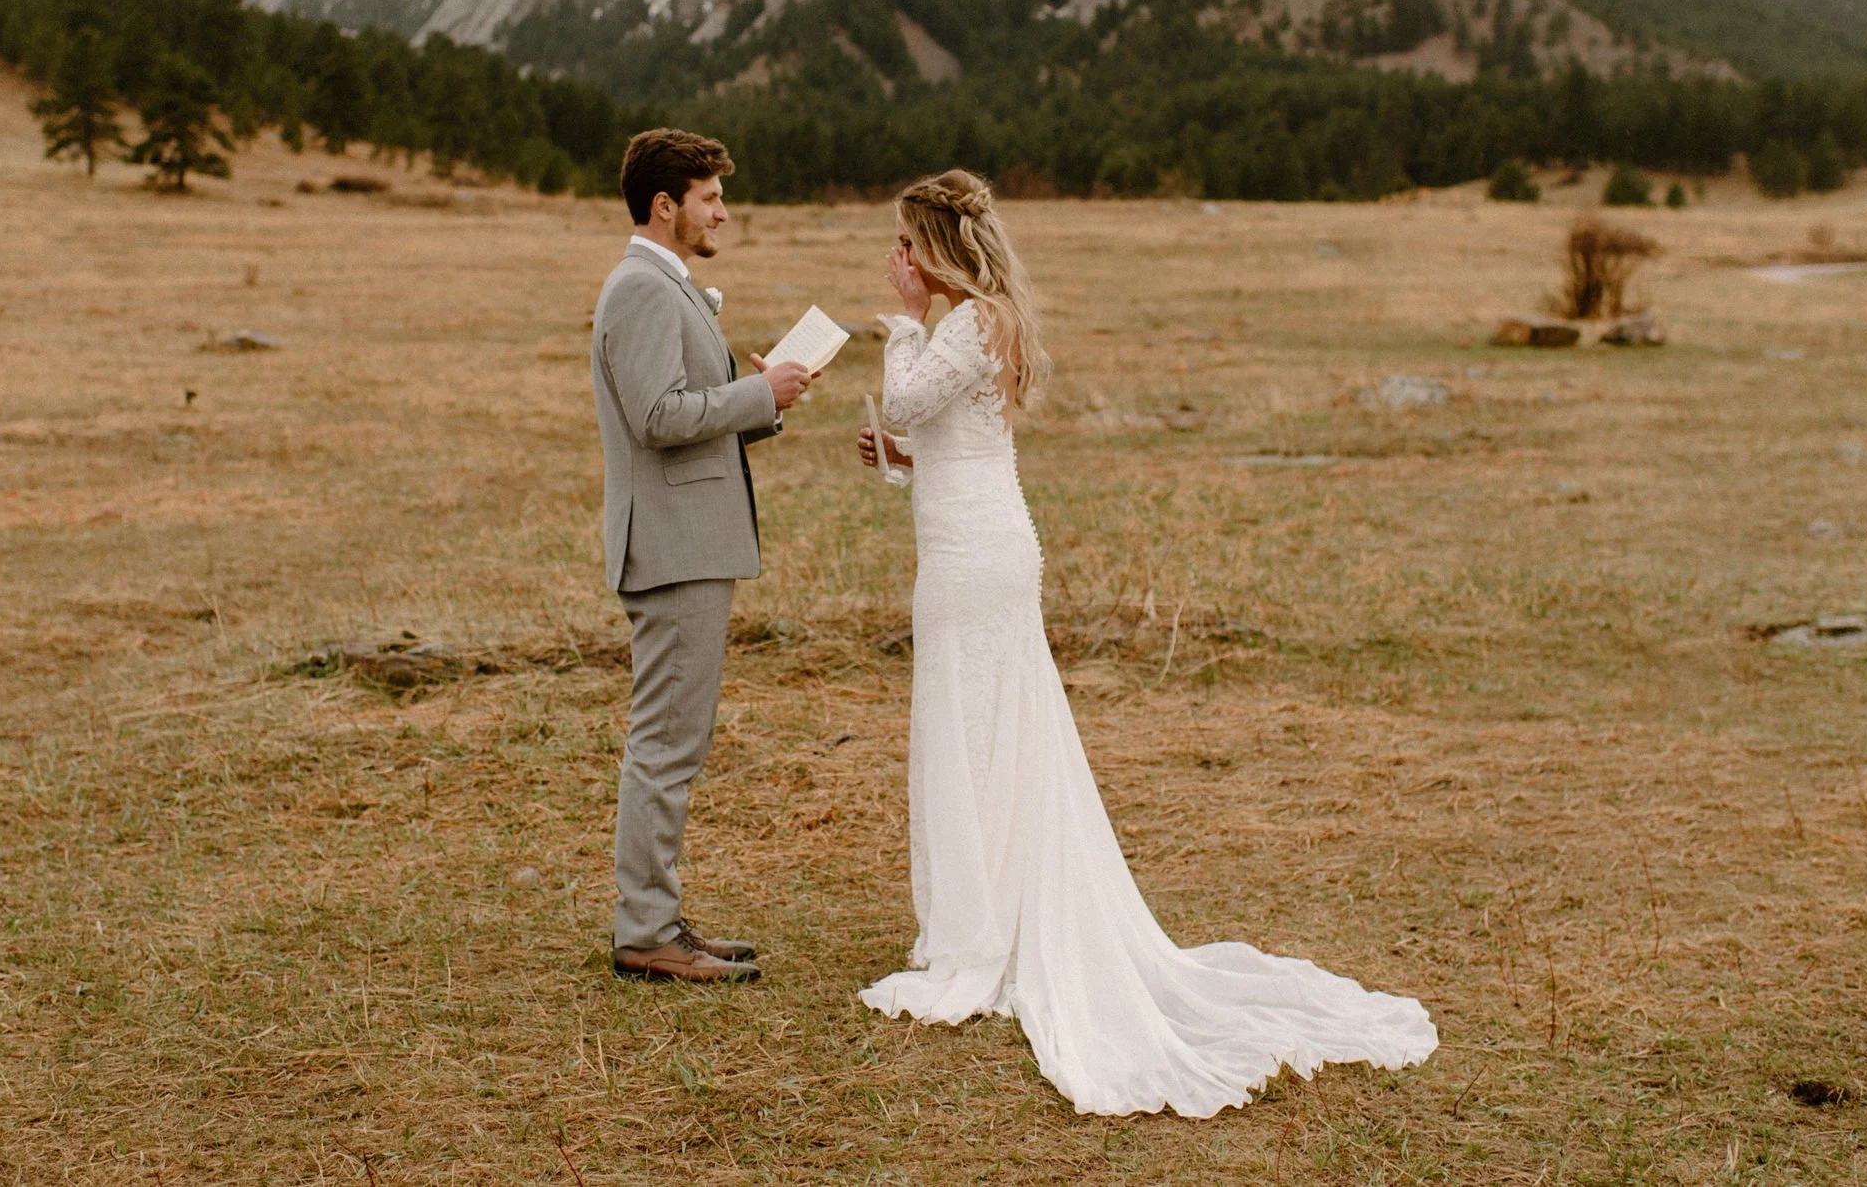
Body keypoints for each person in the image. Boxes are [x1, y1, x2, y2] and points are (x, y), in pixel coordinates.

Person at [853, 169, 1437, 1115]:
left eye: (908, 247)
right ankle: (982, 913)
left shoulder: (965, 322)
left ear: (936, 250)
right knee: (984, 730)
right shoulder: (986, 323)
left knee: (972, 727)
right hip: (973, 535)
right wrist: (896, 460)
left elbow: (915, 398)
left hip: (975, 556)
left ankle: (980, 936)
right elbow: (946, 438)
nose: (900, 262)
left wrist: (904, 321)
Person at [591, 128, 816, 983]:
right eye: (711, 196)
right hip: (673, 548)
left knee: (676, 738)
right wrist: (757, 390)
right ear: (665, 205)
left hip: (687, 543)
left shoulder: (659, 285)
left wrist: (766, 398)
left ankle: (660, 917)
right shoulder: (642, 289)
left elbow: (688, 405)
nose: (723, 210)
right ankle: (647, 928)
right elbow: (656, 415)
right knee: (666, 742)